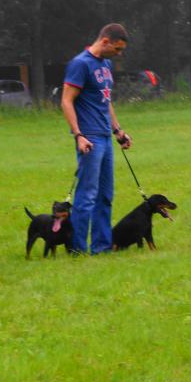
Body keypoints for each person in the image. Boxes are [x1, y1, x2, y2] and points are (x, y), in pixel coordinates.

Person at [63, 23, 132, 252]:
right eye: (117, 49)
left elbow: (106, 100)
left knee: (105, 195)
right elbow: (66, 101)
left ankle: (101, 247)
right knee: (87, 195)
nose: (119, 54)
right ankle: (78, 248)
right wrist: (78, 135)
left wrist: (118, 130)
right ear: (105, 41)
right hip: (89, 137)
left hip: (105, 135)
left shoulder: (106, 64)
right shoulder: (80, 64)